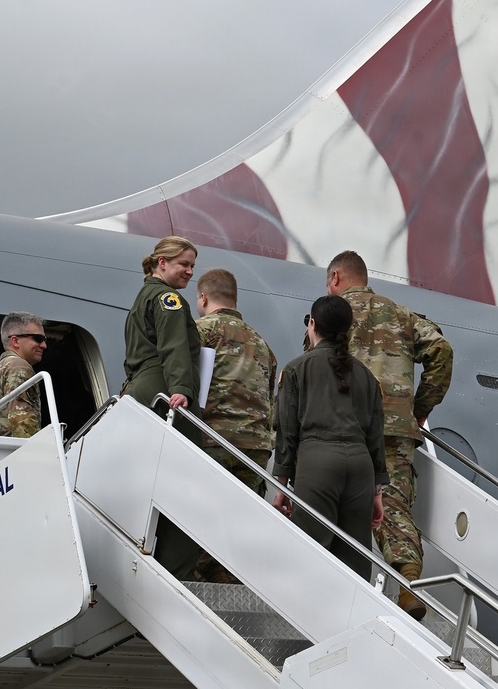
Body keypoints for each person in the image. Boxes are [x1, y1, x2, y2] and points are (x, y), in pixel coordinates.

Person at [326, 250, 453, 618]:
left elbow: (316, 365)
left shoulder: (332, 316)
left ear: (335, 278)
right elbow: (441, 350)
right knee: (392, 505)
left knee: (333, 500)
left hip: (343, 424)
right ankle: (408, 579)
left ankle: (335, 586)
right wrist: (419, 408)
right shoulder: (402, 314)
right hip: (394, 426)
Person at [272, 294, 387, 578]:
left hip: (318, 463)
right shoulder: (367, 377)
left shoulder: (297, 369)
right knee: (355, 560)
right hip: (360, 467)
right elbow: (376, 436)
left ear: (312, 324)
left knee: (310, 553)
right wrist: (377, 491)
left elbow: (287, 429)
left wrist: (281, 484)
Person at [195, 268, 276, 492]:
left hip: (215, 440)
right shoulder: (260, 341)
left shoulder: (201, 329)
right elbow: (271, 398)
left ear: (203, 297)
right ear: (235, 300)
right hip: (256, 448)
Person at [123, 237, 201, 410]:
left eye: (192, 266)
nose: (190, 272)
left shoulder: (143, 298)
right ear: (162, 262)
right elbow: (174, 345)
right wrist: (181, 388)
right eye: (184, 264)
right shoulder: (168, 298)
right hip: (164, 390)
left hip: (139, 389)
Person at [0, 313, 48, 438]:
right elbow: (22, 422)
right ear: (15, 341)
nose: (44, 345)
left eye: (44, 339)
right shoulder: (19, 366)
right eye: (38, 338)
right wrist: (36, 452)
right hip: (12, 454)